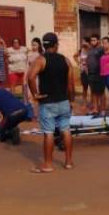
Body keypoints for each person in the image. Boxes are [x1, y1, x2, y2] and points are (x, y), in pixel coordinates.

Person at [27, 32, 76, 173]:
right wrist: (71, 100)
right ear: (56, 45)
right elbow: (71, 84)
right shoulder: (65, 60)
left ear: (44, 45)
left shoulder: (41, 60)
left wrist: (36, 94)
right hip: (63, 101)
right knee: (66, 130)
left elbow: (30, 77)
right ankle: (68, 162)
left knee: (48, 132)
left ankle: (48, 164)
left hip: (48, 102)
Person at [85, 34, 106, 113]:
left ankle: (103, 109)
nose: (92, 42)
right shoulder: (90, 50)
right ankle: (95, 108)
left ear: (98, 41)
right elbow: (88, 60)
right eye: (91, 40)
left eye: (94, 40)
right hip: (91, 74)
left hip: (99, 74)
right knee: (93, 92)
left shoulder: (101, 50)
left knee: (101, 92)